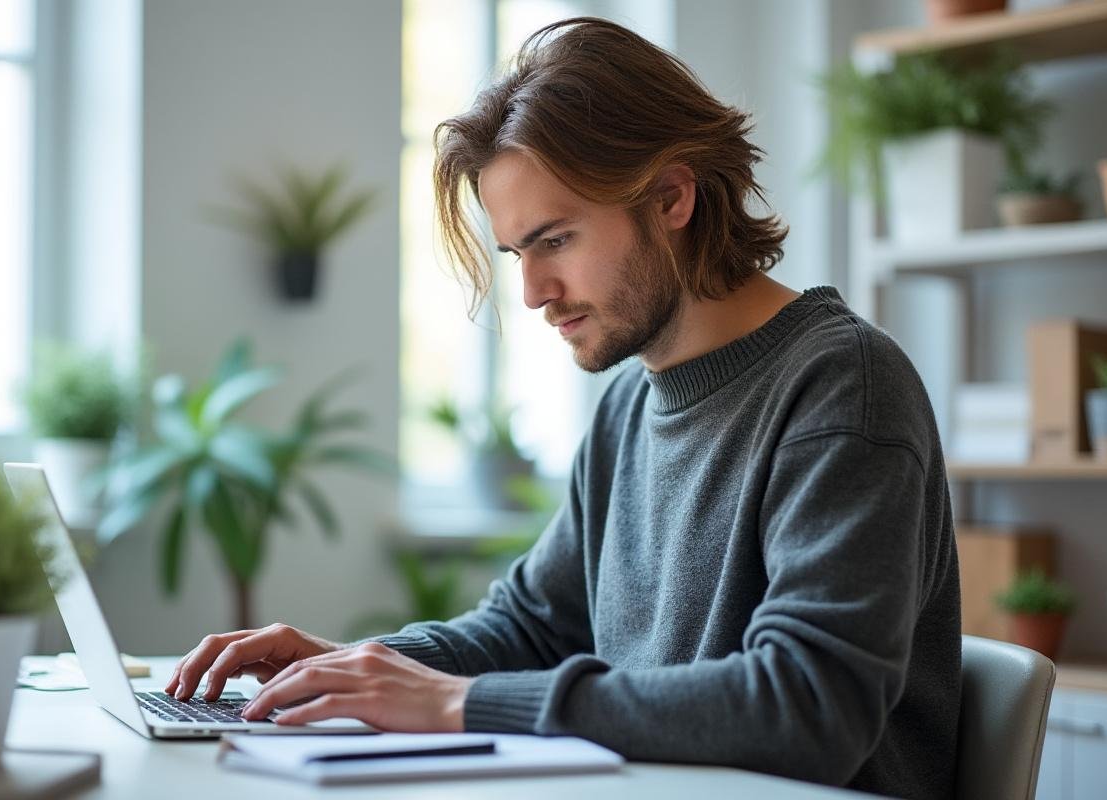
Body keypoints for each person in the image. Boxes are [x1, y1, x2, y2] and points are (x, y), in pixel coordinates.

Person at [165, 17, 960, 798]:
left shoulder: (842, 385)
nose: (533, 293)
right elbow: (532, 628)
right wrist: (352, 667)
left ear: (672, 197)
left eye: (556, 240)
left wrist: (456, 704)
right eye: (517, 252)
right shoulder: (626, 408)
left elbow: (810, 710)